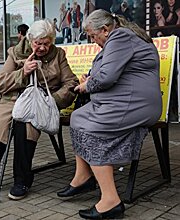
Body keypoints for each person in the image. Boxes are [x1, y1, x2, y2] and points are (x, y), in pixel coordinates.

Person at [57, 9, 162, 219]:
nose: (94, 41)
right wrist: (91, 77)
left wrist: (87, 86)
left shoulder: (120, 36)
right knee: (78, 117)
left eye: (94, 36)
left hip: (136, 104)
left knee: (91, 127)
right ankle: (83, 176)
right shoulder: (121, 36)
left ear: (104, 29)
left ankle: (111, 200)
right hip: (125, 100)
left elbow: (106, 78)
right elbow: (111, 71)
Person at [0, 18, 79, 200]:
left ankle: (21, 180)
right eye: (38, 43)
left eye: (46, 43)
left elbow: (71, 82)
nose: (42, 48)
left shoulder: (58, 54)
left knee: (26, 131)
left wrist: (51, 101)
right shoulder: (16, 53)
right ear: (30, 40)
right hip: (11, 100)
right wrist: (22, 73)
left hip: (39, 103)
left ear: (52, 41)